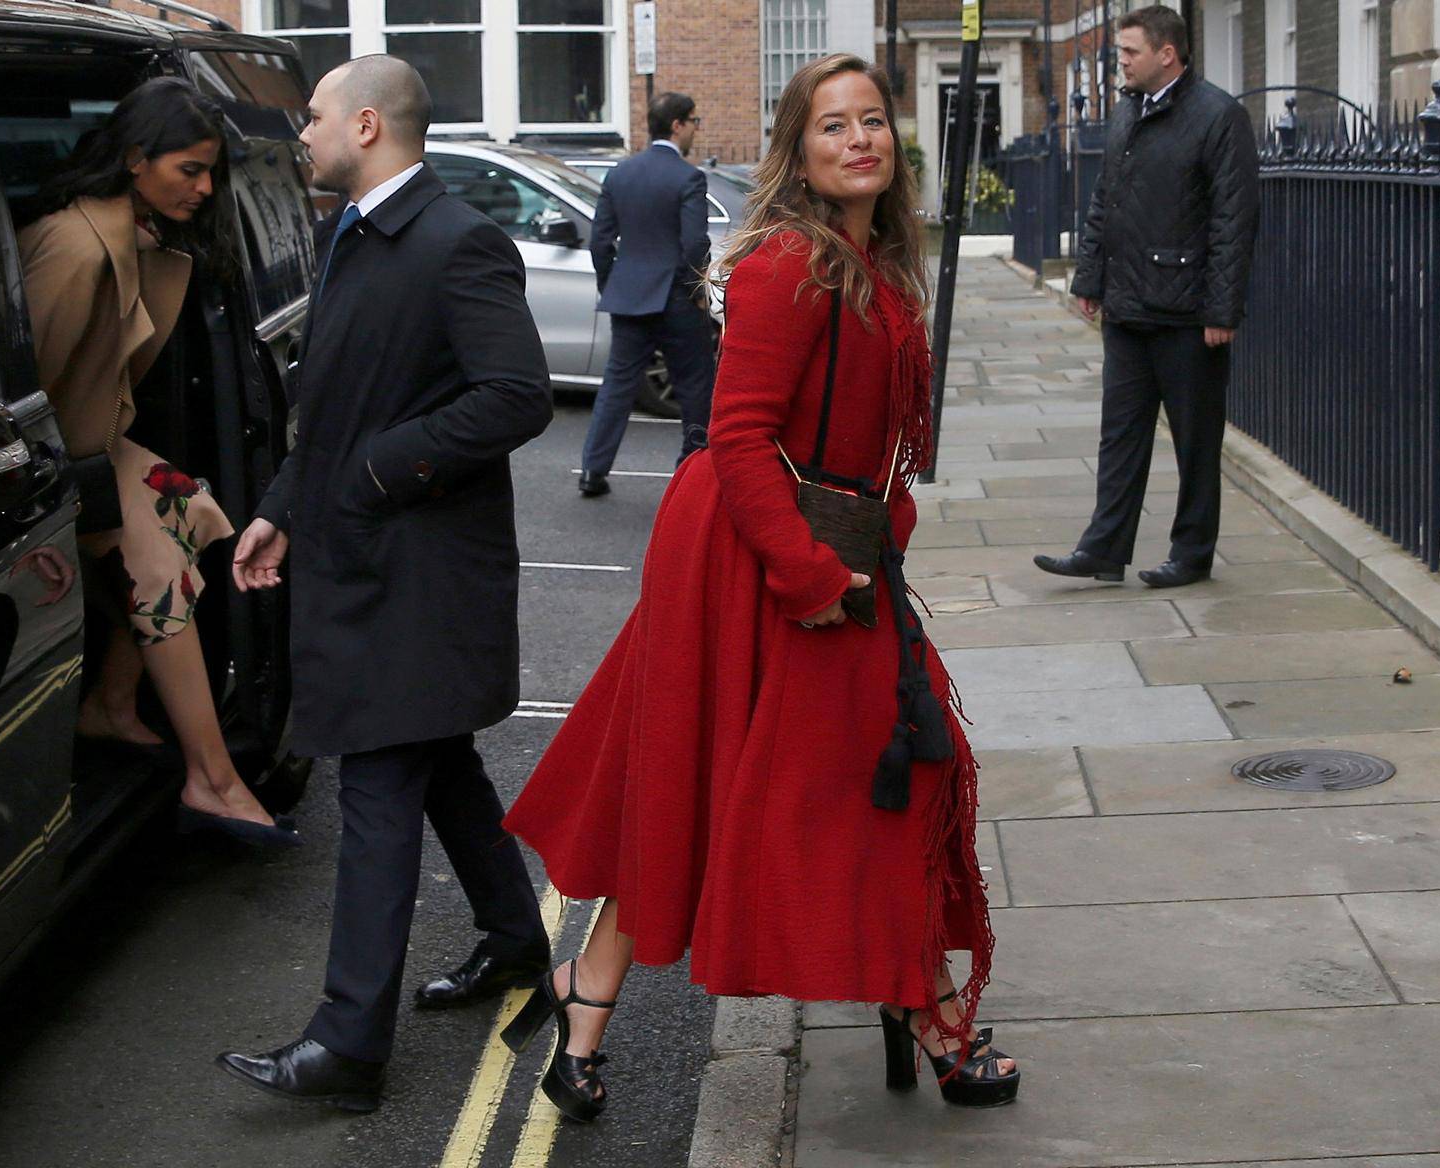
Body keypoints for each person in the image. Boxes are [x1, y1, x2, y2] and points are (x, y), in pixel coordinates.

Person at [501, 53, 1019, 1125]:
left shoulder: (871, 264)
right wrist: (810, 576)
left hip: (827, 549)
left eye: (872, 121)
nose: (858, 140)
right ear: (799, 148)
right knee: (789, 785)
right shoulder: (792, 265)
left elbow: (870, 447)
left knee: (851, 780)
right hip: (755, 559)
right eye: (832, 126)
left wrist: (873, 543)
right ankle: (924, 1016)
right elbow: (737, 440)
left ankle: (583, 1008)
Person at [216, 56, 554, 1113]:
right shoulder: (352, 230)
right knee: (437, 763)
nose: (300, 133)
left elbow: (516, 396)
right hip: (367, 559)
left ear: (365, 124)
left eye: (311, 116)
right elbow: (335, 401)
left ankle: (349, 1043)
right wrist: (283, 500)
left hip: (419, 578)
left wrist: (367, 475)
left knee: (375, 791)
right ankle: (513, 941)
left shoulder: (458, 241)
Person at [18, 77, 298, 845]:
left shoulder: (134, 236)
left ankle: (111, 702)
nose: (206, 190)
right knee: (160, 571)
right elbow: (23, 389)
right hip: (61, 460)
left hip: (99, 443)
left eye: (211, 173)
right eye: (190, 170)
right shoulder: (78, 250)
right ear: (136, 160)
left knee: (199, 513)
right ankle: (212, 779)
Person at [1035, 4, 1259, 588]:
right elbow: (1105, 199)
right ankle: (1104, 549)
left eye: (1129, 52)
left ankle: (1191, 554)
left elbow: (1234, 220)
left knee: (1195, 442)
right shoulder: (1126, 111)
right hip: (1128, 306)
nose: (1121, 63)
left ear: (1167, 53)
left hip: (1189, 315)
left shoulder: (1219, 117)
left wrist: (1221, 309)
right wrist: (1089, 279)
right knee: (1120, 435)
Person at [578, 91, 715, 496]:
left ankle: (593, 470)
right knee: (694, 385)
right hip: (676, 297)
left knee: (617, 385)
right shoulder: (688, 177)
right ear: (677, 125)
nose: (695, 129)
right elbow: (694, 244)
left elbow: (600, 244)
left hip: (629, 296)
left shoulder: (620, 174)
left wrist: (612, 285)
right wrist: (697, 291)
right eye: (694, 121)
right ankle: (692, 470)